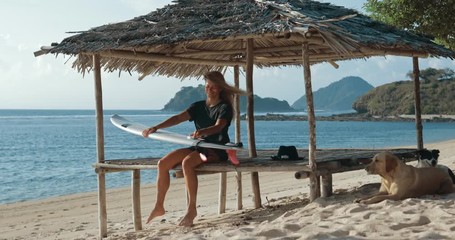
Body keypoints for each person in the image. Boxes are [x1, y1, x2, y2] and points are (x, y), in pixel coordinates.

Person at [142, 71, 246, 227]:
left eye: (213, 87)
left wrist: (201, 132)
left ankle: (192, 210)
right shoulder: (198, 106)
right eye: (207, 86)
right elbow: (177, 118)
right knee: (162, 163)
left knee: (187, 163)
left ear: (220, 89)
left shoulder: (225, 108)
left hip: (216, 149)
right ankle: (159, 206)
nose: (209, 90)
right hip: (198, 146)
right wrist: (156, 127)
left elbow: (219, 127)